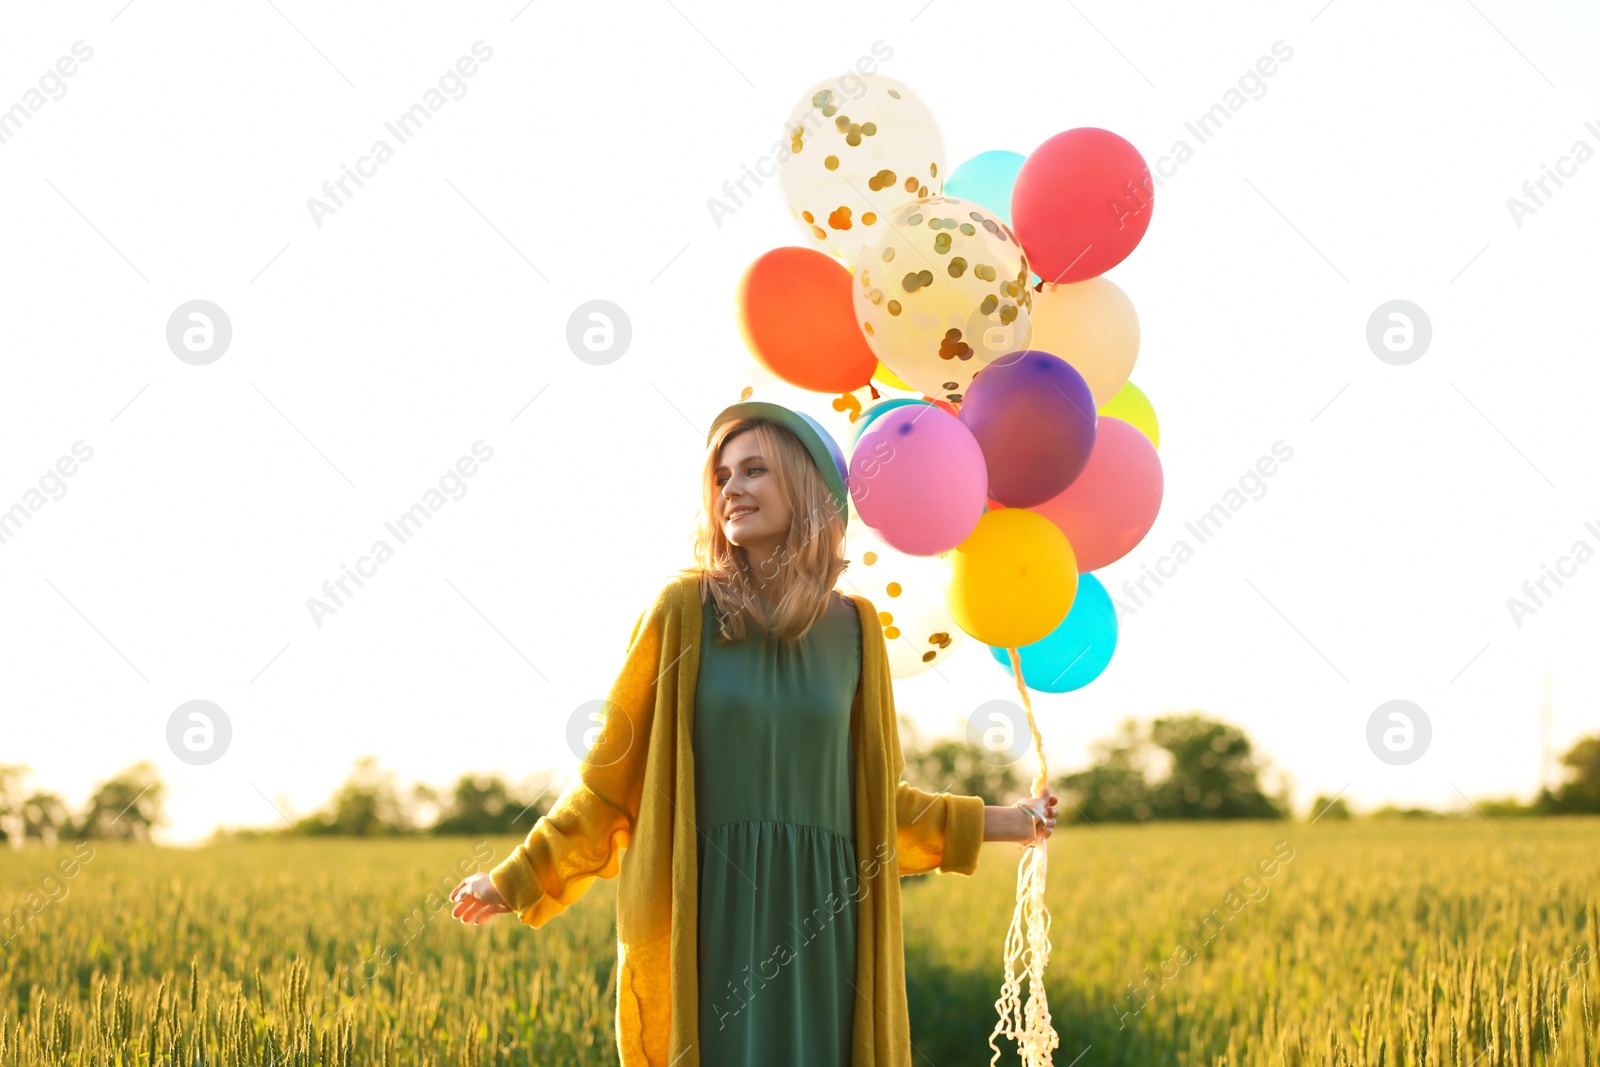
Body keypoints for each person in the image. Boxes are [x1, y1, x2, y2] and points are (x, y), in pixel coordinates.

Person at [449, 400, 1057, 1066]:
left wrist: (1011, 820)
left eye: (754, 470)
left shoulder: (857, 630)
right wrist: (517, 878)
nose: (730, 489)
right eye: (721, 476)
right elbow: (608, 778)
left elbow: (879, 805)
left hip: (828, 925)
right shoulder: (681, 612)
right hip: (712, 916)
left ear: (805, 486)